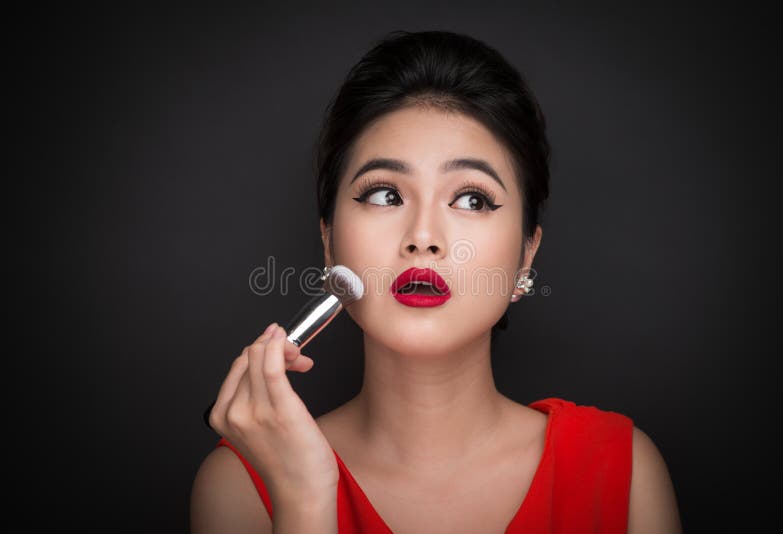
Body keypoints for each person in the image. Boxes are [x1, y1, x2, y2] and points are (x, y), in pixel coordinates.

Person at [190, 30, 682, 533]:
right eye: (384, 195)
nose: (423, 237)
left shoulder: (622, 472)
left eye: (472, 199)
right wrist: (304, 501)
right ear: (329, 243)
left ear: (525, 256)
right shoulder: (243, 486)